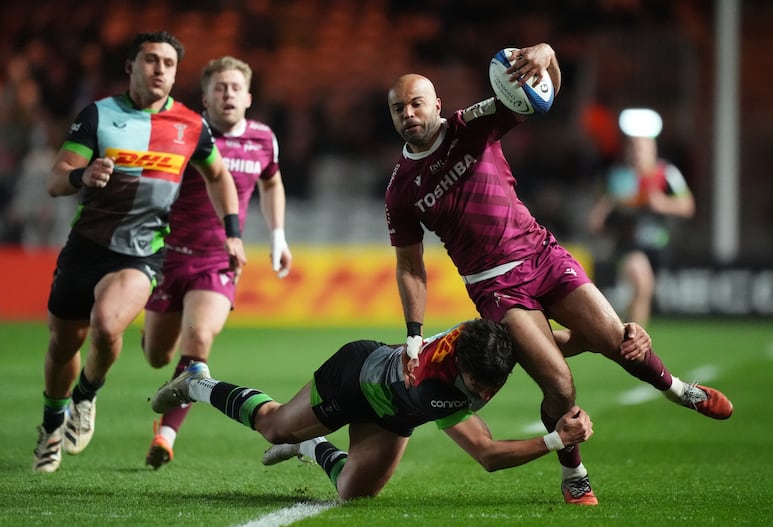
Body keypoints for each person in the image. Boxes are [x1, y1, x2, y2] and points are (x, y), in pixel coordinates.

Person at [383, 43, 732, 505]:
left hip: (543, 255)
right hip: (496, 288)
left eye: (416, 103)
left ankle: (678, 390)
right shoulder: (400, 190)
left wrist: (548, 57)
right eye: (398, 108)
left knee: (620, 341)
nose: (408, 113)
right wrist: (413, 335)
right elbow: (410, 267)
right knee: (560, 384)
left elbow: (541, 96)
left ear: (437, 105)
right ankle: (574, 474)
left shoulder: (473, 125)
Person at [32, 31, 247, 473]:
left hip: (142, 252)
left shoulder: (190, 124)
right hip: (86, 247)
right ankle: (52, 423)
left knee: (108, 326)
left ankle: (86, 396)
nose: (160, 70)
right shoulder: (98, 115)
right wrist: (82, 176)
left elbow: (219, 175)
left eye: (168, 63)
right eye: (151, 60)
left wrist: (232, 230)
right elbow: (56, 179)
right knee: (61, 345)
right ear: (131, 66)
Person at [149, 318, 595, 500]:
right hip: (356, 377)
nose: (486, 390)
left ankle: (315, 448)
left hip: (394, 413)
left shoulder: (497, 346)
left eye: (493, 383)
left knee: (352, 494)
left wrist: (613, 339)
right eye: (478, 384)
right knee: (274, 427)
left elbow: (557, 344)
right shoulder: (434, 386)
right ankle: (198, 385)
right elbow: (488, 455)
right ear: (460, 366)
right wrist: (557, 440)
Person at [141, 56, 292, 470]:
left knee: (200, 340)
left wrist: (278, 237)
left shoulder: (263, 139)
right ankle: (159, 343)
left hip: (218, 262)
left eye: (235, 88)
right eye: (219, 88)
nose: (228, 94)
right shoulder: (186, 134)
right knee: (157, 355)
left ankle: (166, 435)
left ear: (248, 97)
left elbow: (272, 182)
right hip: (168, 257)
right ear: (204, 98)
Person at [587, 108, 695, 327]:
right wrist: (604, 216)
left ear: (652, 148)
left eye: (641, 147)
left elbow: (688, 206)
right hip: (627, 246)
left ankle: (634, 339)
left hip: (657, 247)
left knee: (642, 295)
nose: (636, 153)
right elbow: (597, 216)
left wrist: (662, 204)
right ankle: (634, 343)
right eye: (633, 147)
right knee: (642, 281)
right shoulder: (618, 177)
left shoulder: (666, 174)